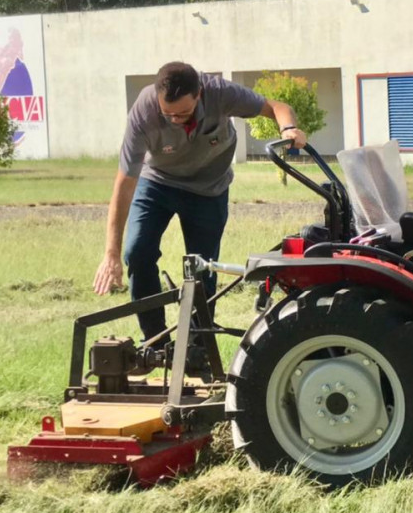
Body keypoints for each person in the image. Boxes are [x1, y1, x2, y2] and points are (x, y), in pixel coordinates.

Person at [92, 61, 307, 339]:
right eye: (167, 113)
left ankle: (197, 347)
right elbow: (124, 185)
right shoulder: (143, 112)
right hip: (158, 182)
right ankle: (155, 342)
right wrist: (111, 255)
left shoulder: (220, 92)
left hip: (209, 189)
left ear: (199, 94)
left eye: (183, 113)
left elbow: (276, 107)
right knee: (137, 252)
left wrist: (288, 129)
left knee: (202, 267)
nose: (174, 119)